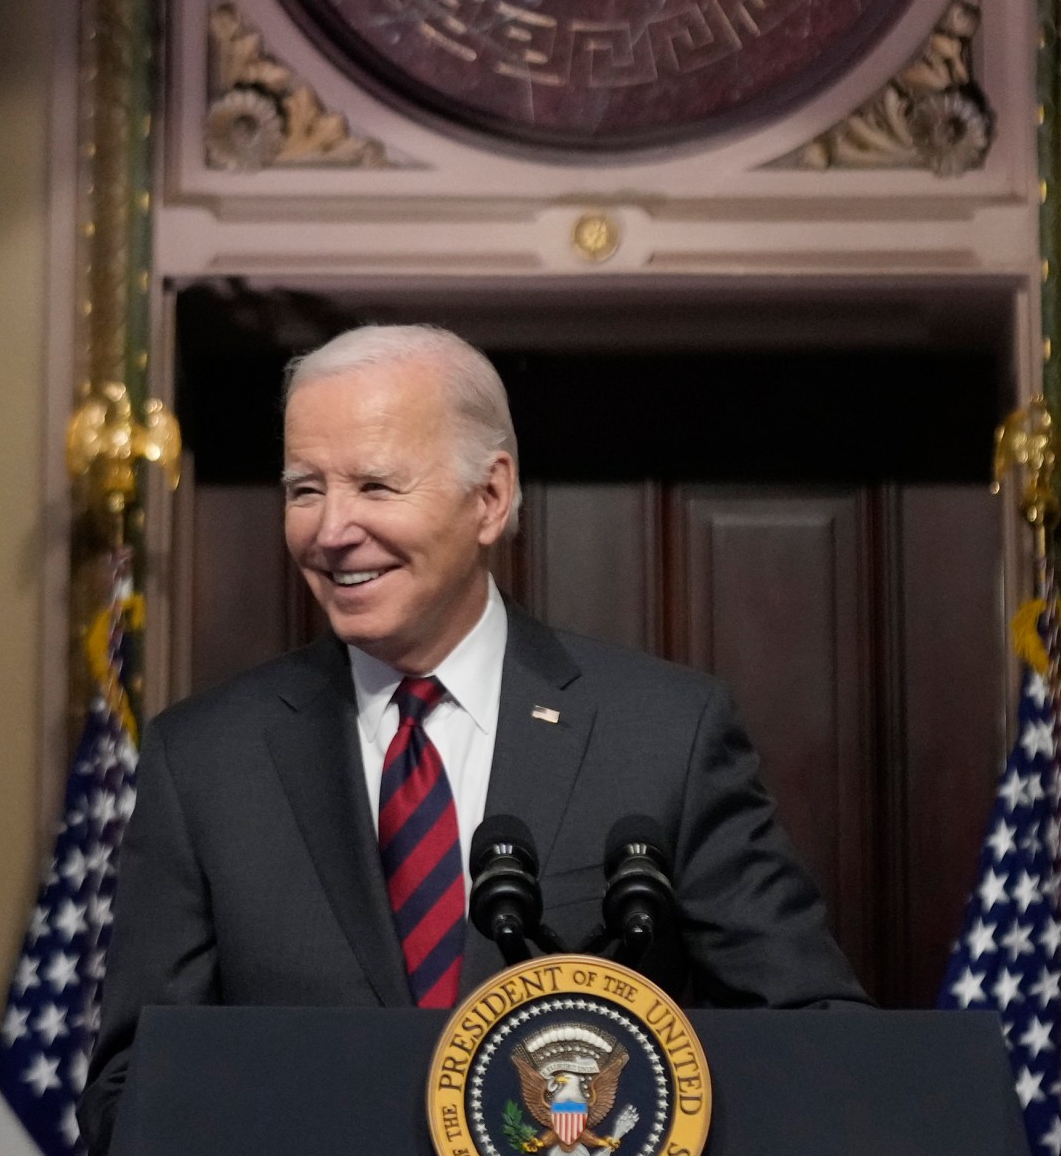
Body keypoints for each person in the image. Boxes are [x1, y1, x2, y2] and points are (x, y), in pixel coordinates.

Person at [79, 324, 865, 1152]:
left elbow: (817, 1039)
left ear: (489, 498)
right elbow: (133, 1093)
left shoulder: (663, 734)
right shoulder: (204, 761)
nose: (331, 528)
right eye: (305, 488)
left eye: (376, 485)